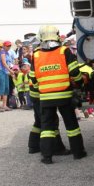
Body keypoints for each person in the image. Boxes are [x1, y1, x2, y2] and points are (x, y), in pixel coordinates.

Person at [32, 25, 86, 164]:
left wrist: (42, 89)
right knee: (71, 125)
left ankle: (47, 157)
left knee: (47, 128)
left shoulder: (36, 54)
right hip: (64, 96)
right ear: (56, 35)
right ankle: (78, 153)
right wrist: (79, 84)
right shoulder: (64, 51)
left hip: (45, 98)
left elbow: (33, 79)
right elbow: (74, 72)